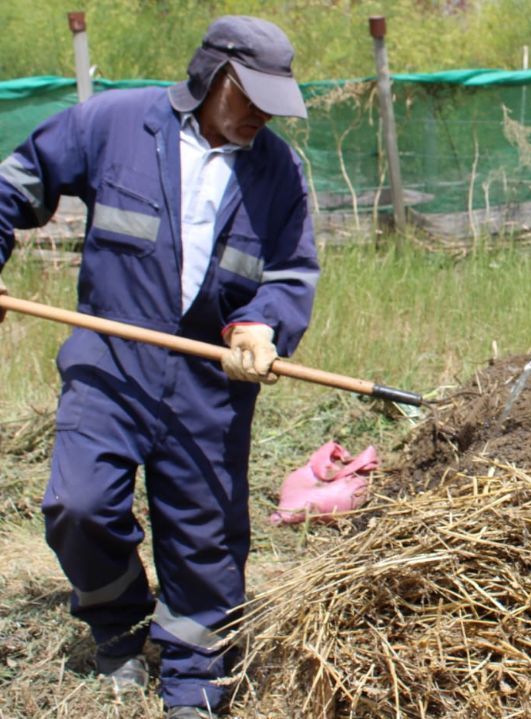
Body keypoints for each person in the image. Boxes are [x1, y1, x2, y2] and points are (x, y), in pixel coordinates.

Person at [0, 16, 318, 719]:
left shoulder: (277, 171)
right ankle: (121, 625)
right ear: (212, 77)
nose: (262, 114)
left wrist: (263, 323)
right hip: (110, 358)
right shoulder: (114, 124)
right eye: (251, 95)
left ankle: (193, 682)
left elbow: (292, 272)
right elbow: (15, 183)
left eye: (274, 99)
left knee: (205, 542)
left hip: (208, 380)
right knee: (78, 505)